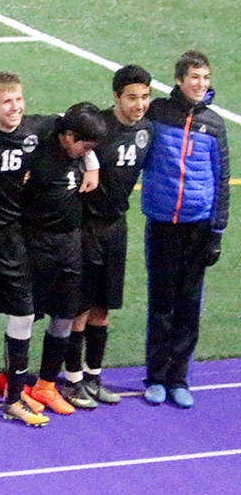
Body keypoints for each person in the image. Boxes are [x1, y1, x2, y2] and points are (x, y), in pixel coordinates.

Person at [0, 72, 98, 428]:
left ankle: (14, 398)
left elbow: (73, 122)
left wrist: (92, 163)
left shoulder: (36, 128)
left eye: (18, 100)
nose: (14, 108)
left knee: (24, 316)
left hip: (12, 239)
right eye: (6, 102)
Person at [141, 51, 229, 408]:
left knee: (189, 304)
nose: (200, 84)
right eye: (194, 77)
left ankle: (179, 377)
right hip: (162, 223)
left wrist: (217, 232)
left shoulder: (214, 124)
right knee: (161, 302)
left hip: (197, 228)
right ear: (179, 79)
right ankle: (156, 376)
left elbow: (221, 179)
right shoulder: (159, 113)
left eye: (205, 77)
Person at [67, 66, 153, 408]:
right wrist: (90, 162)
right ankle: (72, 380)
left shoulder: (147, 129)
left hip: (117, 226)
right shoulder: (98, 127)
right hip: (87, 225)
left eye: (145, 97)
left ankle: (93, 376)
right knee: (80, 307)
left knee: (104, 306)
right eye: (132, 97)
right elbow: (66, 132)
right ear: (116, 97)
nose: (139, 104)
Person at [21, 104, 108, 416]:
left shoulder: (79, 150)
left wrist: (91, 160)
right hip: (36, 244)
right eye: (84, 146)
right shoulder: (37, 145)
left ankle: (45, 385)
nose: (85, 152)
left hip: (70, 244)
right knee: (24, 317)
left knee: (65, 316)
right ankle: (15, 390)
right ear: (68, 136)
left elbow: (73, 121)